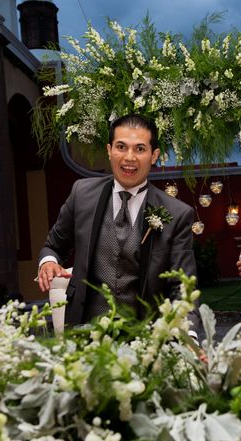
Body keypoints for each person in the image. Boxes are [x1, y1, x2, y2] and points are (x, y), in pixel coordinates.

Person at [37, 114, 198, 329]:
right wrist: (48, 261)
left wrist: (189, 336)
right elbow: (53, 246)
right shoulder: (82, 194)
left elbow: (183, 286)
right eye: (121, 147)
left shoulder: (177, 214)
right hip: (85, 336)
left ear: (154, 155)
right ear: (109, 150)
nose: (129, 157)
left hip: (146, 340)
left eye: (140, 149)